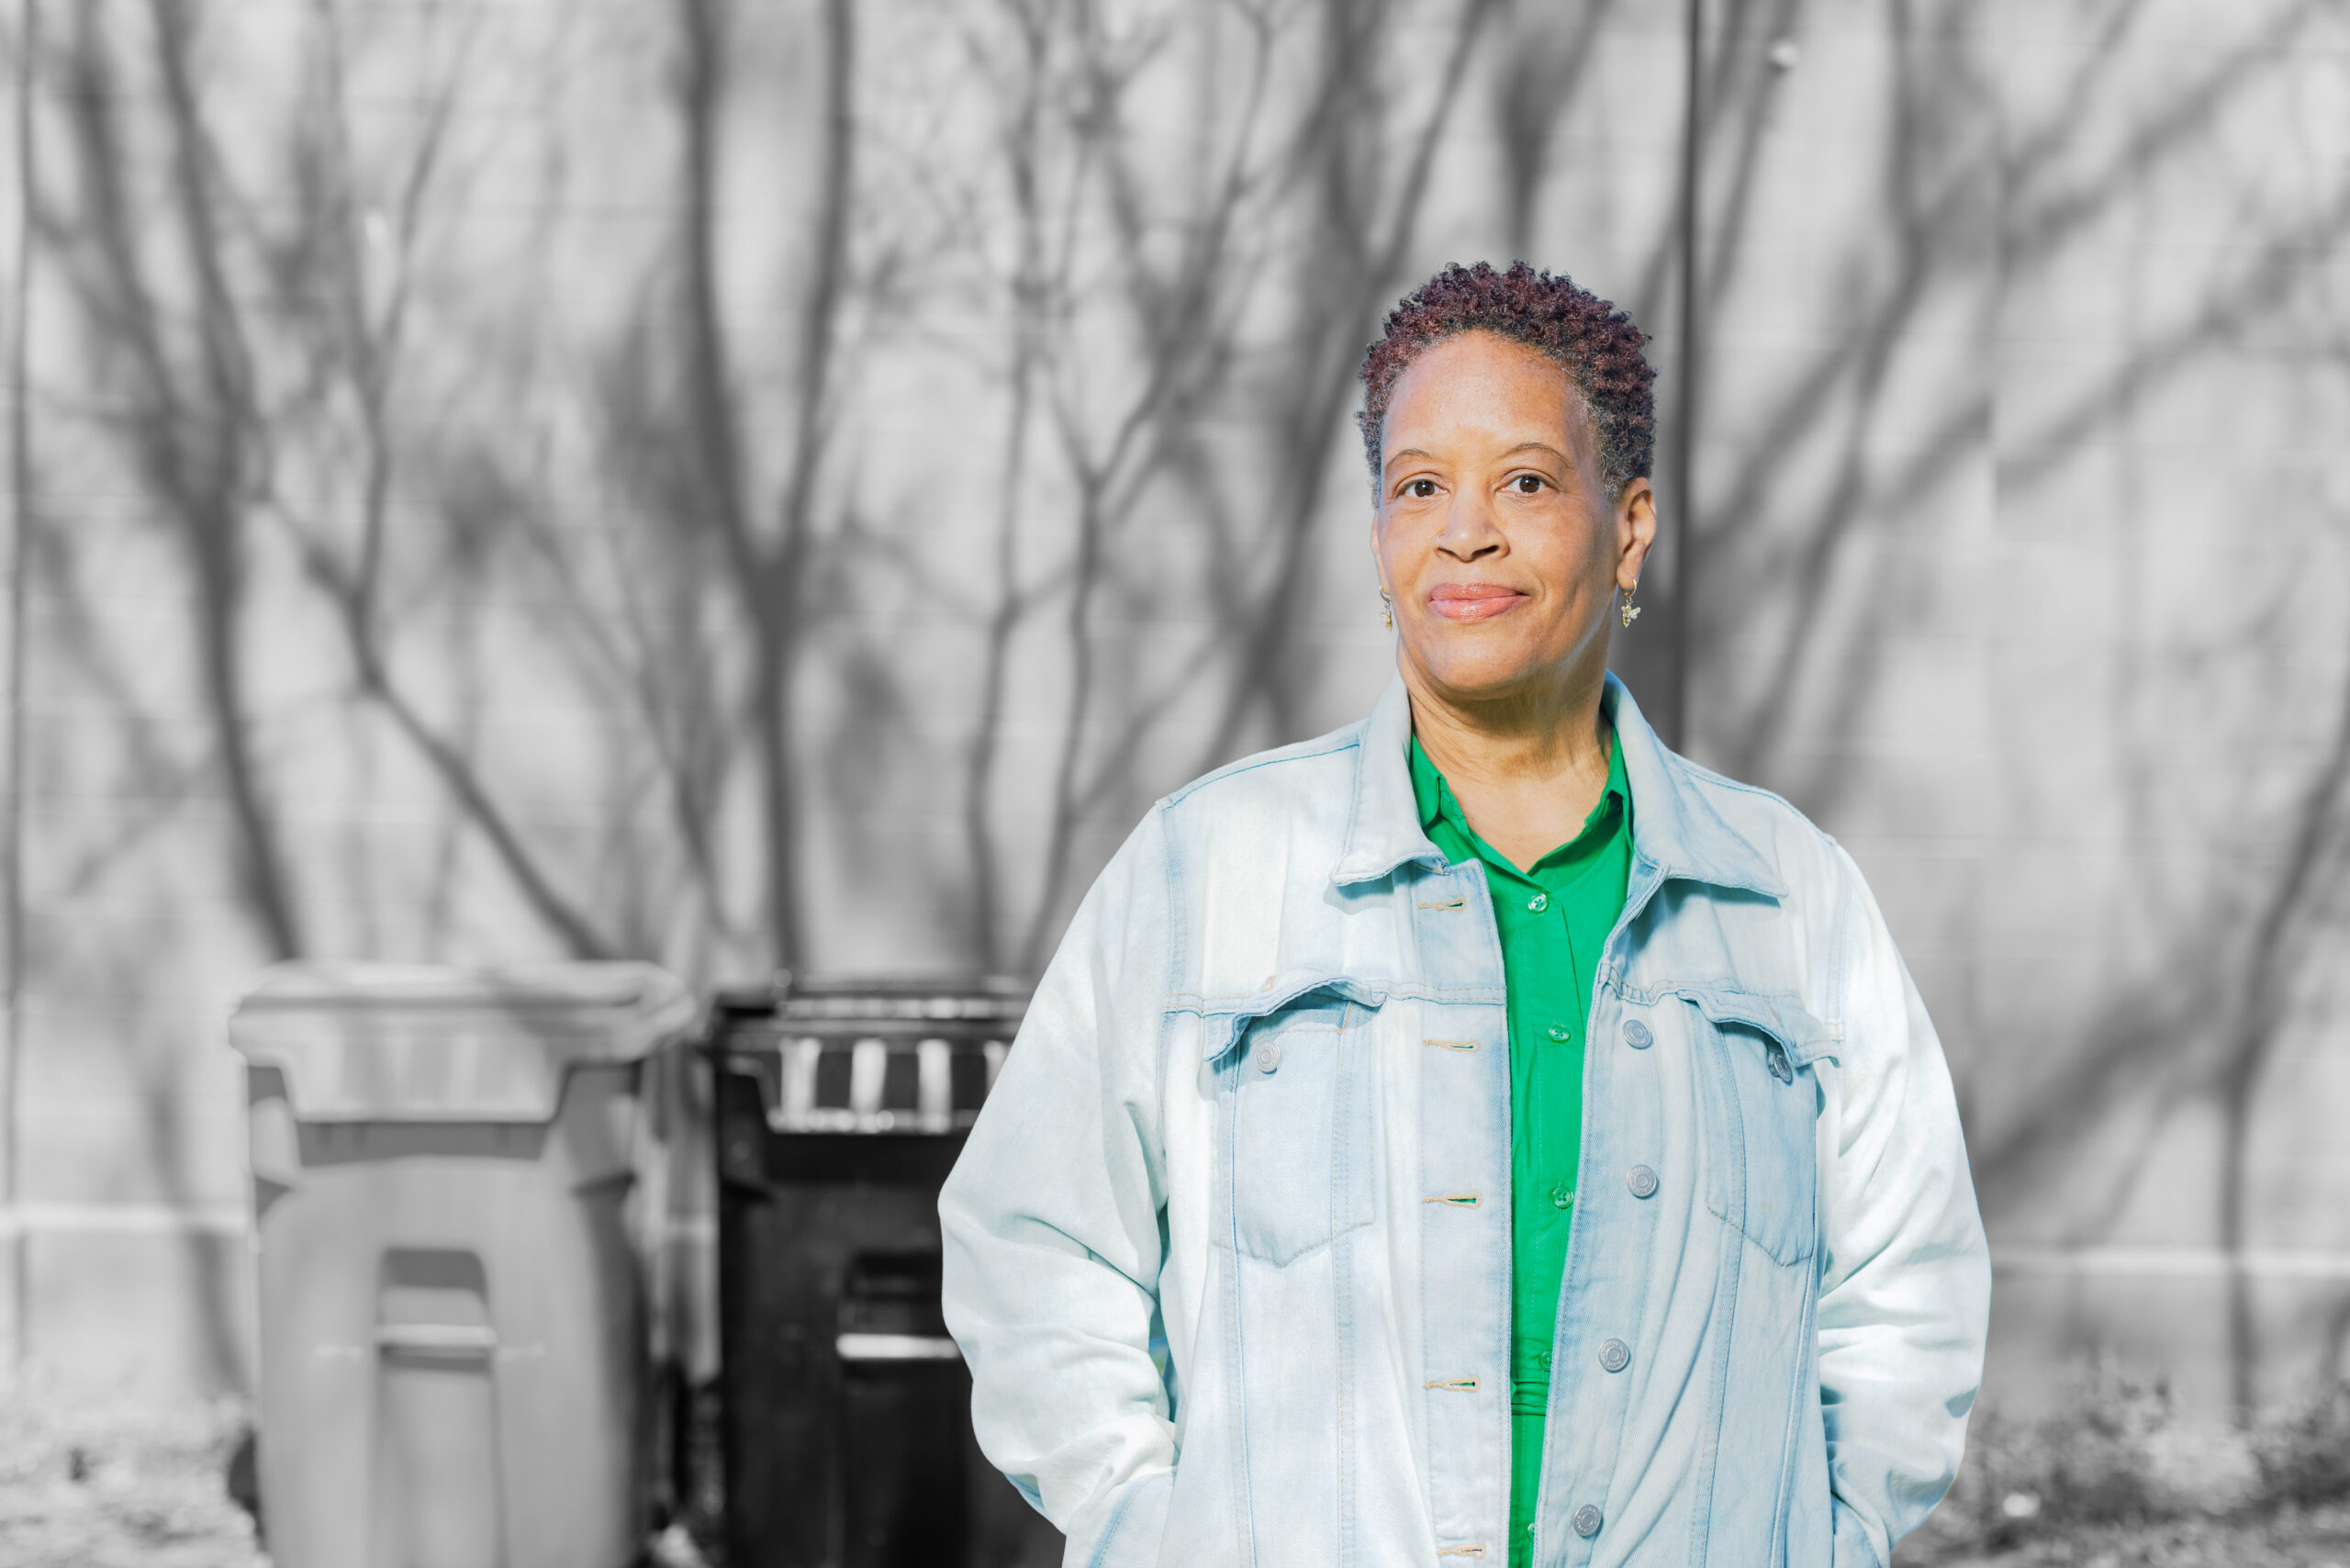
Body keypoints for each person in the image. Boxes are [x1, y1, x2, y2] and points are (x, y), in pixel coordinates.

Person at [940, 261, 1989, 1568]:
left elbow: (1909, 1284)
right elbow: (1032, 1239)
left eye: (1528, 482)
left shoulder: (1787, 895)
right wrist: (1153, 1528)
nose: (1466, 531)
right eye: (1420, 485)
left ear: (1630, 525)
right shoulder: (1211, 869)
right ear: (1379, 536)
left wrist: (1828, 1539)